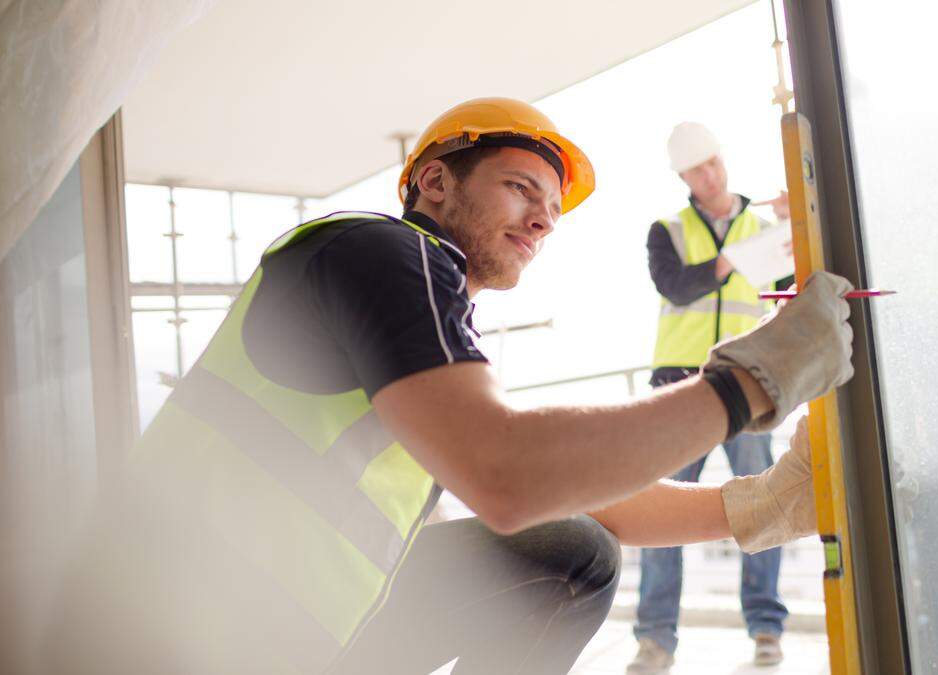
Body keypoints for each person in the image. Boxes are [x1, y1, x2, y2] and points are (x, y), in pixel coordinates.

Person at [49, 98, 854, 675]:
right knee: (568, 551)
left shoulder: (426, 327)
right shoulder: (382, 253)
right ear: (434, 181)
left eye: (551, 209)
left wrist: (759, 508)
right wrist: (753, 381)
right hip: (171, 631)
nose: (542, 220)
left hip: (272, 632)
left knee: (572, 544)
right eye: (519, 188)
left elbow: (573, 489)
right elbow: (508, 474)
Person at [629, 121, 795, 674]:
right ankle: (655, 641)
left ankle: (767, 629)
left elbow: (796, 279)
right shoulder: (667, 230)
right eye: (697, 169)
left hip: (747, 386)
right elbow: (676, 286)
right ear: (683, 177)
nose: (710, 174)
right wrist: (730, 257)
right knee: (660, 513)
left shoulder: (765, 226)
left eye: (714, 163)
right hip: (679, 388)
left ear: (723, 160)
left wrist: (797, 220)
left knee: (764, 503)